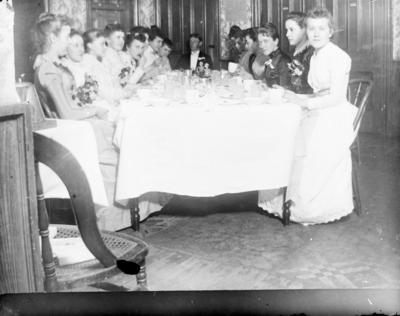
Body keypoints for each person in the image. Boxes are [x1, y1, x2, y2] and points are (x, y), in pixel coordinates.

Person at [258, 6, 358, 225]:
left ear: (330, 31)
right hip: (319, 108)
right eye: (311, 28)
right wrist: (298, 95)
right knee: (286, 137)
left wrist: (305, 102)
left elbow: (335, 98)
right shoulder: (315, 55)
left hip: (334, 115)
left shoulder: (339, 57)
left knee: (303, 148)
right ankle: (284, 202)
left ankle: (305, 209)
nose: (315, 33)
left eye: (321, 29)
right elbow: (316, 91)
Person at [32, 13, 117, 166]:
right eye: (66, 38)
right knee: (120, 154)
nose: (68, 42)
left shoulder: (52, 64)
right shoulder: (48, 70)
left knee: (121, 133)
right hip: (72, 134)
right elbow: (66, 113)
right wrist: (94, 110)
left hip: (79, 126)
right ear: (53, 39)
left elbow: (71, 105)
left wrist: (92, 109)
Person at [81, 28, 126, 106]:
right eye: (102, 44)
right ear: (90, 46)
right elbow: (100, 91)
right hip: (98, 106)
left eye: (105, 44)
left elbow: (110, 85)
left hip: (109, 103)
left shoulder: (98, 62)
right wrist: (123, 95)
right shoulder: (87, 63)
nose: (105, 47)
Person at [285, 12, 314, 94]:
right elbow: (295, 85)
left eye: (291, 30)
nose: (287, 34)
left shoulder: (311, 53)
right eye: (286, 30)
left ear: (304, 29)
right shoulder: (298, 52)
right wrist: (282, 89)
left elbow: (311, 89)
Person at [258, 23, 292, 89]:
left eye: (266, 41)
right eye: (260, 42)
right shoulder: (270, 58)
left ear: (276, 41)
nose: (262, 46)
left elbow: (285, 90)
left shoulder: (283, 60)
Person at [102, 23, 127, 88]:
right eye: (118, 37)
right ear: (108, 40)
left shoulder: (121, 55)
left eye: (123, 38)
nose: (122, 41)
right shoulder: (106, 57)